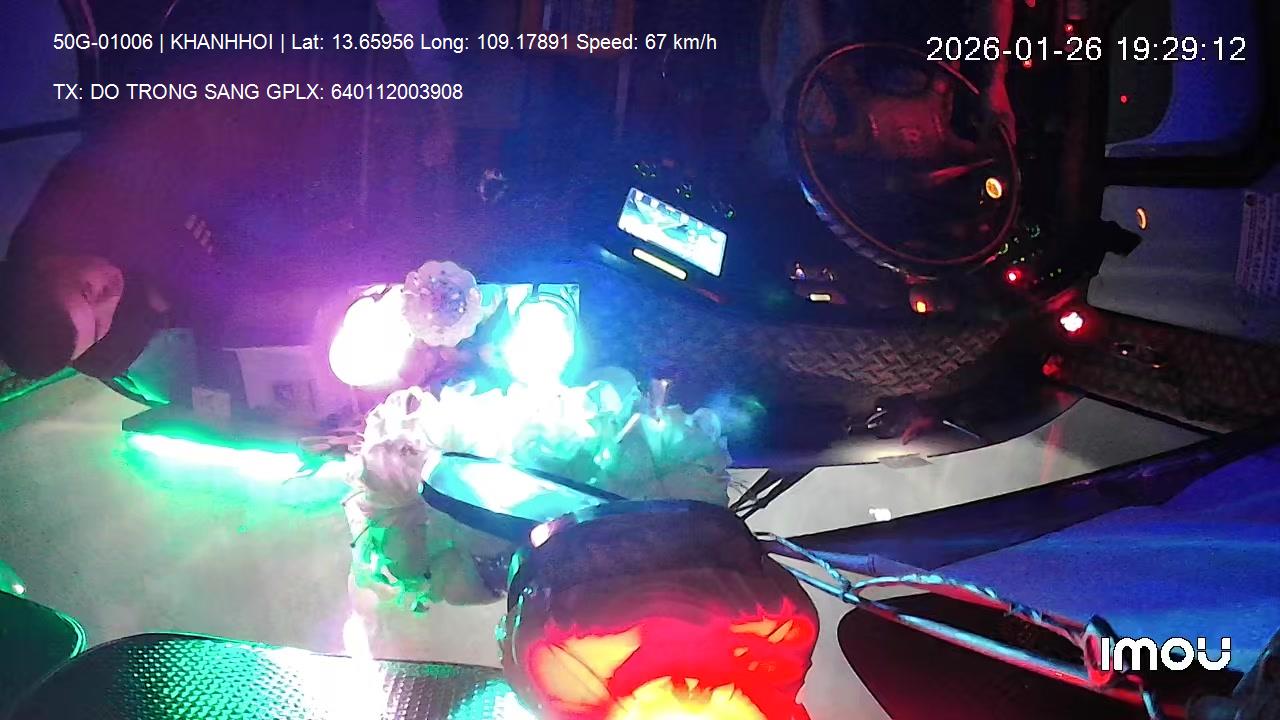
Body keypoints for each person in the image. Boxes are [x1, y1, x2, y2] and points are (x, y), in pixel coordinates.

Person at [0, 0, 450, 403]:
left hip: (222, 91)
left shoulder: (82, 195)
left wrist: (168, 278)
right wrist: (172, 269)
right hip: (246, 178)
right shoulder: (96, 336)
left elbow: (182, 213)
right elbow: (189, 296)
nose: (109, 295)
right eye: (100, 322)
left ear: (44, 263)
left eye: (87, 291)